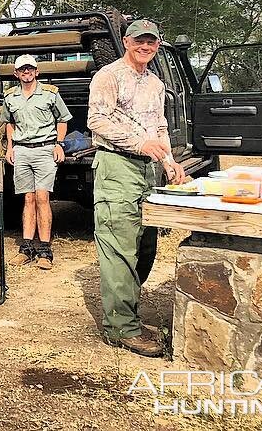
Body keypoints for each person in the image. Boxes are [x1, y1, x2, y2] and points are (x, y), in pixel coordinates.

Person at [87, 19, 186, 357]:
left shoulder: (156, 83)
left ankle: (127, 314)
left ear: (157, 46)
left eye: (152, 42)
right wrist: (138, 144)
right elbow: (96, 121)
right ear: (126, 41)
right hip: (117, 166)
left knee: (146, 245)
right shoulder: (108, 76)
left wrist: (169, 162)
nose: (146, 47)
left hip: (148, 170)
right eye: (140, 41)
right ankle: (121, 329)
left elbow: (159, 126)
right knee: (119, 248)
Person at [1, 54, 72, 270]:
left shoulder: (50, 94)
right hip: (22, 151)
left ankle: (44, 250)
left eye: (30, 68)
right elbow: (9, 123)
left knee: (43, 198)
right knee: (28, 199)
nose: (26, 72)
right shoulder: (10, 97)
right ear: (16, 73)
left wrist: (59, 144)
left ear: (36, 71)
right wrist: (10, 148)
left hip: (44, 150)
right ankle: (26, 248)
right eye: (22, 69)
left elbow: (62, 119)